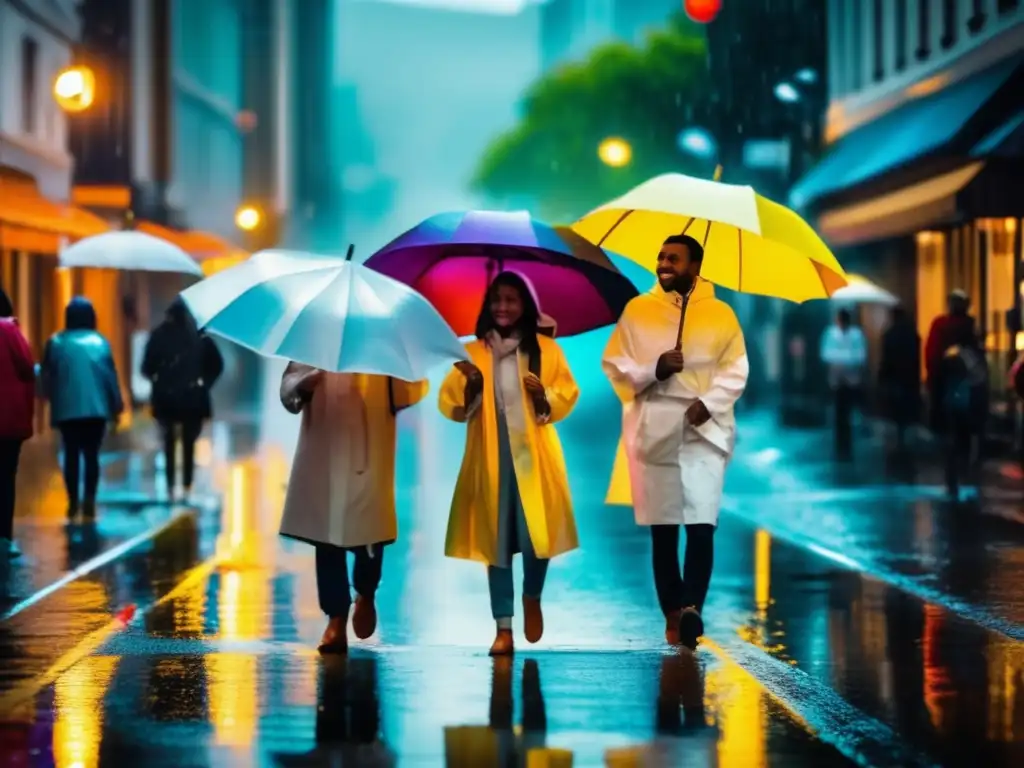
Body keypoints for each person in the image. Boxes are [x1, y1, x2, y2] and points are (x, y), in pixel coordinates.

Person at [602, 233, 747, 650]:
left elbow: (736, 370)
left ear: (695, 268)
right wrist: (655, 369)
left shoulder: (722, 316)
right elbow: (615, 366)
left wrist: (710, 402)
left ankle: (691, 610)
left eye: (674, 258)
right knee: (664, 532)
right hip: (656, 432)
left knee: (702, 526)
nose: (664, 263)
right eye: (661, 256)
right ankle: (673, 614)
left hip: (705, 432)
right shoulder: (638, 311)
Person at [439, 271, 580, 657]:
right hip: (490, 458)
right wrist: (469, 385)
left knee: (539, 539)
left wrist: (543, 395)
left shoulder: (547, 351)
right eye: (497, 299)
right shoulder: (471, 354)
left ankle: (531, 594)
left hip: (535, 459)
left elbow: (567, 393)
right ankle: (503, 627)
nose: (503, 307)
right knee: (496, 544)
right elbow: (450, 404)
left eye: (512, 300)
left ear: (525, 306)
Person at [279, 363, 428, 654]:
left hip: (369, 452)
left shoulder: (383, 347)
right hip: (326, 451)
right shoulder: (318, 341)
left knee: (369, 535)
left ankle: (366, 591)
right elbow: (288, 391)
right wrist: (303, 383)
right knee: (327, 537)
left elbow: (408, 393)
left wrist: (401, 372)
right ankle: (336, 618)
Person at [40, 297, 123, 520]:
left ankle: (73, 500)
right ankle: (89, 500)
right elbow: (109, 378)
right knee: (91, 456)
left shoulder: (56, 343)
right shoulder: (100, 342)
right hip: (96, 411)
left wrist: (46, 397)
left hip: (67, 410)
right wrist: (116, 406)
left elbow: (47, 378)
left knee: (71, 454)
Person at [142, 298, 225, 501]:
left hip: (166, 399)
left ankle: (171, 488)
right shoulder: (199, 337)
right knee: (189, 443)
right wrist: (204, 383)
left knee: (169, 442)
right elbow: (217, 365)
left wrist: (160, 380)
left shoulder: (158, 336)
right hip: (192, 398)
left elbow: (146, 368)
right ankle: (187, 486)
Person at [0, 288, 35, 557]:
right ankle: (4, 537)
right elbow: (26, 365)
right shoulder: (9, 330)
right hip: (8, 418)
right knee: (6, 477)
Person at [937, 325, 988, 500]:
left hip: (953, 401)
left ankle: (953, 477)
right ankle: (959, 473)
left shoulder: (951, 353)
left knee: (955, 440)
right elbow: (979, 379)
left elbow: (941, 376)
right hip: (965, 402)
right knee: (963, 440)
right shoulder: (972, 356)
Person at [924, 289, 976, 436]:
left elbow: (932, 351)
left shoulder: (941, 324)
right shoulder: (968, 324)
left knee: (945, 411)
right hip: (961, 375)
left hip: (944, 375)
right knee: (960, 412)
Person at [819, 308, 867, 459]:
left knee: (848, 410)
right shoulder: (830, 334)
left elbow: (861, 355)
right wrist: (845, 358)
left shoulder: (856, 335)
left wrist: (842, 359)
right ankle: (840, 443)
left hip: (852, 379)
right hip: (836, 379)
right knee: (838, 411)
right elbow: (825, 354)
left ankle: (848, 443)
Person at [878, 305, 921, 450]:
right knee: (906, 407)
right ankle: (904, 436)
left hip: (894, 376)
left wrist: (882, 377)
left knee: (896, 407)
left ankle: (899, 437)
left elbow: (885, 358)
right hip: (908, 376)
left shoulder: (890, 334)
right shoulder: (912, 334)